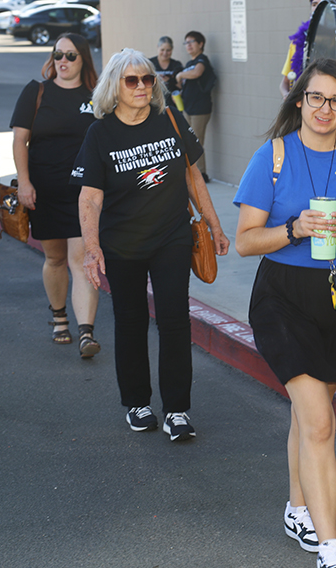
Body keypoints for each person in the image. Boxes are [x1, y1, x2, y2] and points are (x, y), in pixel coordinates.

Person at [235, 58, 336, 568]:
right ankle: (330, 550)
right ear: (299, 100)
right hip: (283, 295)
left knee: (310, 418)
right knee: (321, 425)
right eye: (316, 98)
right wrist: (294, 230)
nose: (325, 109)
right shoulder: (273, 156)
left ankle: (297, 506)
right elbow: (244, 242)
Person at [75, 49, 230, 441]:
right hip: (122, 245)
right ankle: (138, 403)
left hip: (171, 239)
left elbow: (193, 178)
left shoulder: (170, 119)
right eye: (132, 80)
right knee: (130, 323)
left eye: (148, 79)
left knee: (175, 321)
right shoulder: (100, 133)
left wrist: (214, 226)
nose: (143, 86)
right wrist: (92, 248)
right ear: (115, 86)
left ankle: (176, 410)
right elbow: (90, 198)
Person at [11, 33, 101, 358]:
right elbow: (20, 140)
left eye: (71, 56)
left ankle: (86, 332)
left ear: (83, 60)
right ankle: (59, 315)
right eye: (58, 54)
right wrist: (24, 182)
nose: (63, 61)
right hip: (45, 191)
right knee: (55, 258)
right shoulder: (36, 92)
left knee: (81, 259)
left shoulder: (97, 96)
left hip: (83, 195)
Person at [280, 0, 336, 99]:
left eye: (323, 4)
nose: (318, 8)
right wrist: (286, 96)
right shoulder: (298, 41)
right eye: (314, 4)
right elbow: (284, 83)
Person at [175, 30, 216, 182]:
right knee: (188, 140)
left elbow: (197, 73)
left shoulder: (202, 60)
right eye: (186, 43)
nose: (188, 45)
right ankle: (192, 172)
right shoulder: (189, 64)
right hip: (188, 107)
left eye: (192, 42)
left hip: (200, 108)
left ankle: (202, 175)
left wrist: (180, 75)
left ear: (200, 44)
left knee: (196, 141)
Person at [149, 36, 184, 111]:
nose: (165, 53)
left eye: (168, 50)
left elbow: (181, 85)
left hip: (173, 104)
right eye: (162, 50)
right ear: (157, 47)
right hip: (155, 103)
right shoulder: (150, 63)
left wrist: (169, 81)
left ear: (172, 49)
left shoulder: (176, 65)